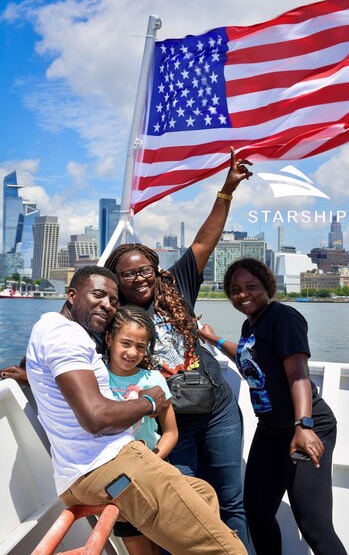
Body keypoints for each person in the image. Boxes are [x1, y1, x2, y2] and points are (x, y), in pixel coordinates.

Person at [25, 265, 247, 555]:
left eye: (114, 301)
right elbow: (96, 419)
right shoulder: (65, 336)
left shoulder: (49, 330)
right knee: (229, 550)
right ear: (71, 295)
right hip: (109, 464)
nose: (107, 305)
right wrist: (150, 402)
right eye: (98, 295)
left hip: (80, 474)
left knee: (203, 493)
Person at [104, 147, 253, 553]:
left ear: (155, 268)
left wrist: (227, 189)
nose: (139, 277)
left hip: (218, 408)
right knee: (183, 508)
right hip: (173, 422)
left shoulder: (177, 286)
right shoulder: (114, 317)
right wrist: (30, 370)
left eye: (144, 269)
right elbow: (74, 337)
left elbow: (207, 239)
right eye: (128, 273)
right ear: (116, 280)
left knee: (232, 502)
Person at [198, 258, 347, 555]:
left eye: (251, 287)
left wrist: (303, 426)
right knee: (257, 512)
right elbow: (248, 361)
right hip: (270, 431)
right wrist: (213, 338)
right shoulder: (250, 323)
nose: (243, 295)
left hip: (306, 426)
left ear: (268, 286)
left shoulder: (283, 318)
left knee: (315, 526)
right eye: (236, 290)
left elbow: (298, 375)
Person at [105, 305, 178, 555]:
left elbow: (170, 432)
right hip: (119, 483)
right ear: (109, 339)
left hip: (153, 473)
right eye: (125, 343)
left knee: (160, 546)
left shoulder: (154, 379)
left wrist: (151, 461)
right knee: (137, 547)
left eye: (140, 346)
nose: (132, 352)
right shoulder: (97, 378)